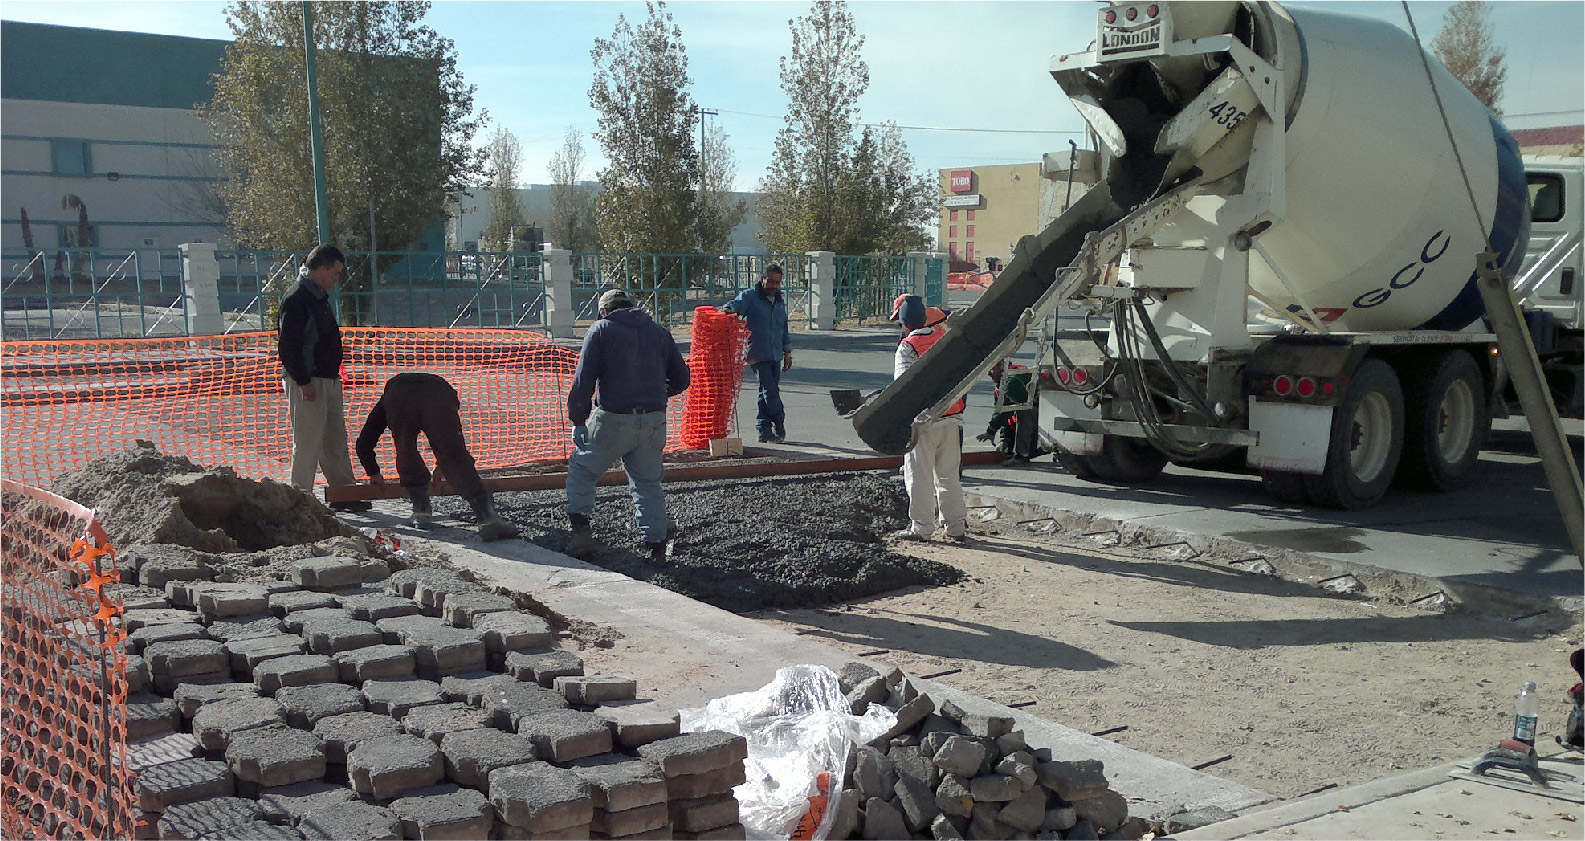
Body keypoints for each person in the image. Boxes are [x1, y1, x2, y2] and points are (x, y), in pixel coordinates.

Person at [565, 289, 691, 562]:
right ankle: (656, 545)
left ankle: (581, 534)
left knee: (582, 471)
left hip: (613, 419)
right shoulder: (659, 332)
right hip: (654, 420)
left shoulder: (600, 330)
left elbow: (583, 379)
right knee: (647, 484)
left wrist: (578, 420)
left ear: (604, 311)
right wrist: (658, 392)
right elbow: (682, 378)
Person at [355, 372, 518, 541]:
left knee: (405, 448)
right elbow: (451, 446)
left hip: (400, 395)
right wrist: (443, 464)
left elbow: (364, 442)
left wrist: (373, 471)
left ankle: (421, 512)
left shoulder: (389, 400)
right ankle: (488, 519)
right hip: (438, 393)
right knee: (455, 454)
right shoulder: (444, 396)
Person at [278, 243, 368, 511]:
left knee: (334, 439)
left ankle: (344, 493)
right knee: (308, 441)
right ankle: (300, 500)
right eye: (336, 273)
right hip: (308, 381)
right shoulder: (297, 299)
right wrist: (303, 382)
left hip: (328, 379)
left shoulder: (317, 297)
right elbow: (288, 346)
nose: (337, 280)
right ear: (321, 269)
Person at [891, 295, 968, 542]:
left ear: (904, 323)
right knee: (948, 475)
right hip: (952, 416)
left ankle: (922, 528)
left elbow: (903, 387)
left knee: (919, 475)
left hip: (924, 421)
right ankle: (956, 527)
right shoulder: (945, 337)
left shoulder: (908, 346)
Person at [722, 263, 792, 443]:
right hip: (756, 355)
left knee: (765, 392)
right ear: (762, 279)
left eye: (777, 282)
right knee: (770, 391)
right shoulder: (750, 296)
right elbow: (734, 306)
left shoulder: (779, 300)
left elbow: (783, 327)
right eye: (771, 281)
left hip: (775, 354)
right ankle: (779, 422)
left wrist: (787, 351)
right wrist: (728, 310)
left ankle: (763, 430)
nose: (774, 286)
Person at [977, 361, 1043, 464]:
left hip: (1040, 421)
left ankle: (1023, 455)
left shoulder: (1011, 380)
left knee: (1024, 410)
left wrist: (991, 431)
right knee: (1016, 412)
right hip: (1033, 421)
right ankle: (1015, 448)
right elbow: (1003, 413)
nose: (989, 373)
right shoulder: (1002, 382)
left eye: (991, 369)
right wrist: (1004, 439)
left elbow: (1005, 411)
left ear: (1001, 366)